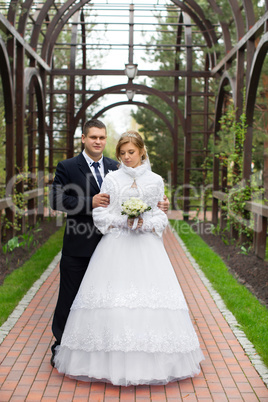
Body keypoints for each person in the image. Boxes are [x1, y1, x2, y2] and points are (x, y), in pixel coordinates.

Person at [53, 130, 204, 386]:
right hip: (112, 247)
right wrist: (125, 220)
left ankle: (153, 363)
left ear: (142, 151)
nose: (126, 157)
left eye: (131, 152)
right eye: (122, 153)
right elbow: (101, 215)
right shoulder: (111, 178)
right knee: (107, 301)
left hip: (147, 250)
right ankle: (90, 355)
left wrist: (146, 222)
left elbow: (160, 215)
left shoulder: (155, 180)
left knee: (150, 303)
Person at [49, 120, 169, 366]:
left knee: (113, 301)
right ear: (83, 138)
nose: (97, 141)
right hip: (81, 244)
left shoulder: (118, 167)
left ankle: (108, 348)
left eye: (102, 137)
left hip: (115, 245)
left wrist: (160, 206)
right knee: (71, 298)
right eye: (93, 137)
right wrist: (89, 202)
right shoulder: (68, 166)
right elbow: (56, 200)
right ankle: (62, 344)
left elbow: (144, 194)